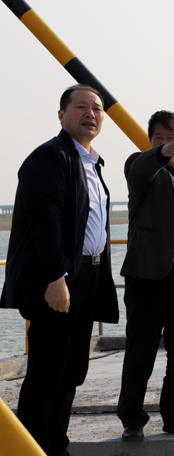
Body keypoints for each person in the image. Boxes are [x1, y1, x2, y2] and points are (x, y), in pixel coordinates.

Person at [0, 84, 119, 456]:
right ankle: (31, 448)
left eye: (97, 108)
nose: (90, 114)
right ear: (62, 115)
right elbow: (44, 220)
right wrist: (56, 278)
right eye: (81, 106)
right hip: (59, 277)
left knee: (72, 370)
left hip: (88, 276)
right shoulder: (49, 157)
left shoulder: (92, 162)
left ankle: (56, 446)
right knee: (47, 371)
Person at [116, 111, 174, 441]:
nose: (165, 143)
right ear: (150, 139)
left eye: (171, 137)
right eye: (158, 137)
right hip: (147, 275)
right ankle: (132, 419)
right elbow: (141, 167)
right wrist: (159, 154)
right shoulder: (139, 165)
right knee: (141, 350)